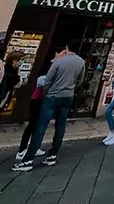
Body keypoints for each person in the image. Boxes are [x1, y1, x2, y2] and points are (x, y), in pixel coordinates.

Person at [13, 42, 85, 171]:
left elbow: (48, 81)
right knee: (61, 126)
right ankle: (52, 155)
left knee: (41, 126)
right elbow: (80, 80)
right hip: (68, 96)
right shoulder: (81, 62)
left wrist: (47, 93)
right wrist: (71, 89)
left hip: (52, 96)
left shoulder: (59, 61)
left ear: (67, 48)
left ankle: (28, 160)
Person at [15, 68, 48, 161]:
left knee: (38, 125)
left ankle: (34, 147)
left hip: (41, 99)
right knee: (32, 124)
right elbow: (41, 82)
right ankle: (22, 150)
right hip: (37, 99)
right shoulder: (45, 73)